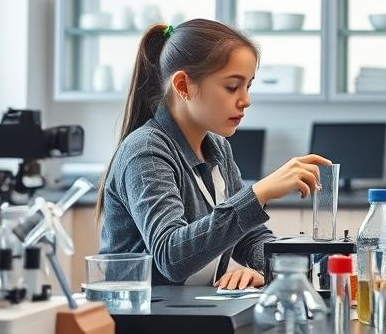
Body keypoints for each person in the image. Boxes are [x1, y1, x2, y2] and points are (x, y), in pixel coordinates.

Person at [98, 19, 330, 288]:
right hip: (140, 320)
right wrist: (258, 193)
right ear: (183, 86)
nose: (246, 100)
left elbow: (248, 237)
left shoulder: (218, 147)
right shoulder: (146, 150)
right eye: (232, 87)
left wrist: (270, 269)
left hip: (190, 315)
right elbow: (171, 257)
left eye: (248, 86)